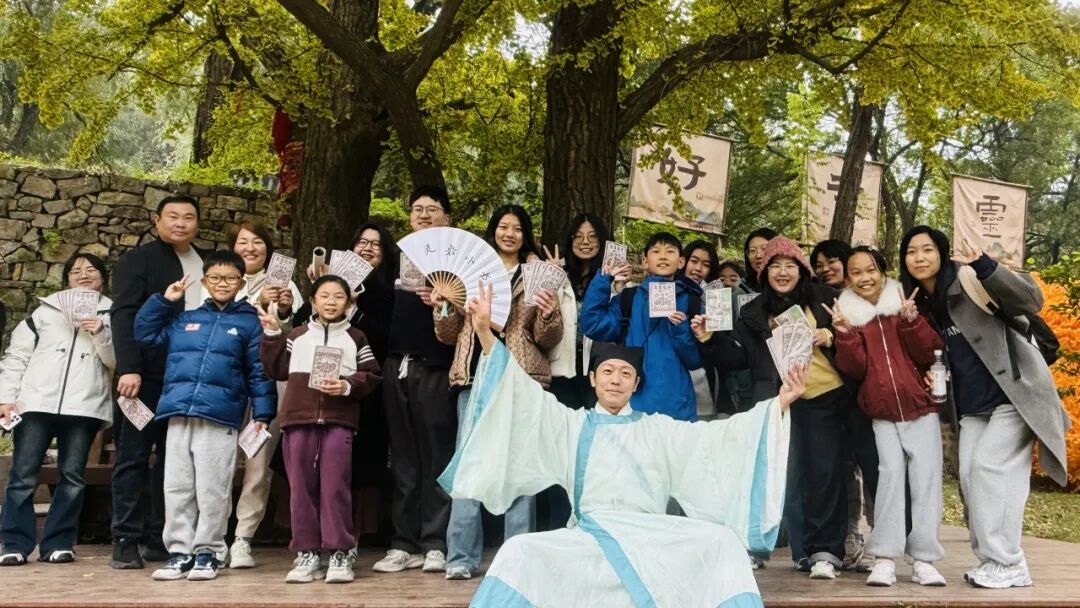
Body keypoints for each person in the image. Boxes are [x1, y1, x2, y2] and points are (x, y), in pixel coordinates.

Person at [439, 282, 805, 607]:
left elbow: (721, 438)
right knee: (517, 551)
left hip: (651, 536)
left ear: (636, 383)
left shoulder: (659, 429)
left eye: (626, 374)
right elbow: (519, 393)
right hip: (588, 537)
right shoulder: (571, 423)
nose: (616, 380)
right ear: (594, 379)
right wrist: (485, 333)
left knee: (723, 543)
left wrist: (781, 403)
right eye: (609, 373)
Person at [899, 226, 1070, 589]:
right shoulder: (921, 306)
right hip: (973, 406)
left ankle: (1009, 562)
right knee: (970, 477)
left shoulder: (970, 279)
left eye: (927, 249)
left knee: (991, 469)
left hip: (1015, 394)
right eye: (911, 251)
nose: (919, 257)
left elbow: (1030, 299)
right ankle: (992, 561)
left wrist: (985, 264)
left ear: (943, 253)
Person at [694, 236, 866, 578]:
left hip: (825, 396)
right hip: (780, 401)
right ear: (764, 273)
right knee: (786, 475)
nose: (783, 272)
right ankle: (802, 551)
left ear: (802, 271)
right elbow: (739, 359)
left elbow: (857, 333)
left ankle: (825, 552)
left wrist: (829, 336)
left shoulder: (825, 299)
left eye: (790, 266)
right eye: (775, 266)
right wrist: (710, 340)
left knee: (825, 471)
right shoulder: (752, 313)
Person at [431, 205, 563, 580]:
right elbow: (447, 334)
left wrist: (549, 312)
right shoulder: (469, 274)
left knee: (521, 467)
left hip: (520, 381)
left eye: (517, 228)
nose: (509, 233)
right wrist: (444, 307)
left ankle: (516, 557)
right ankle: (460, 557)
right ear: (493, 232)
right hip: (474, 380)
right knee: (470, 466)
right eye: (503, 226)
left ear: (525, 235)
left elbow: (547, 338)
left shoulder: (537, 275)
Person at [133, 250, 275, 581]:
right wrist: (165, 302)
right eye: (214, 277)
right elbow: (145, 335)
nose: (221, 283)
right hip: (179, 413)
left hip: (221, 416)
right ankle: (179, 551)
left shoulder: (250, 323)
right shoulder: (184, 319)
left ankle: (209, 551)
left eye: (229, 278)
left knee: (213, 488)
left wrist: (263, 412)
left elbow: (260, 372)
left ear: (241, 283)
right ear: (204, 281)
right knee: (177, 486)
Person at [830, 246, 947, 587]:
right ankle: (884, 558)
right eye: (856, 272)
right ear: (848, 279)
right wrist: (844, 334)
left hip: (919, 407)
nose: (865, 278)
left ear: (882, 271)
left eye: (871, 270)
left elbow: (930, 351)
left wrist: (912, 322)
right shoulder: (848, 315)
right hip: (881, 413)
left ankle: (924, 559)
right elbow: (854, 368)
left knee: (926, 482)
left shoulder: (903, 305)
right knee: (890, 478)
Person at [260, 275, 384, 584]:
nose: (331, 301)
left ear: (349, 303)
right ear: (313, 301)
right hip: (297, 420)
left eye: (339, 296)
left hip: (339, 422)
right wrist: (273, 335)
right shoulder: (298, 334)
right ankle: (307, 553)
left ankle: (340, 552)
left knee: (335, 487)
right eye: (324, 296)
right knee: (300, 488)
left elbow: (372, 375)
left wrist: (346, 385)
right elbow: (276, 368)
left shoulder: (356, 337)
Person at [109, 193, 205, 569]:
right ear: (157, 219)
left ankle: (159, 536)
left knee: (174, 459)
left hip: (184, 378)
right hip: (143, 378)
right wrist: (128, 366)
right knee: (132, 456)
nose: (181, 223)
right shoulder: (138, 260)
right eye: (173, 216)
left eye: (188, 217)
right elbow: (123, 314)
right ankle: (124, 539)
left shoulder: (203, 262)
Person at [0, 254, 114, 566]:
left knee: (72, 476)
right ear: (66, 280)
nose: (84, 275)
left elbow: (116, 362)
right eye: (76, 270)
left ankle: (59, 543)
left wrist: (101, 333)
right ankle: (14, 543)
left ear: (103, 278)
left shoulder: (113, 314)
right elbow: (16, 357)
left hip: (84, 405)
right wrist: (6, 398)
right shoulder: (43, 313)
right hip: (35, 402)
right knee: (23, 474)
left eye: (91, 270)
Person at [374, 187, 457, 575]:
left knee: (436, 453)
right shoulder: (395, 257)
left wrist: (445, 303)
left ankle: (436, 541)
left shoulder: (459, 261)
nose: (423, 215)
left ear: (447, 218)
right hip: (396, 363)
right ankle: (403, 542)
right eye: (418, 209)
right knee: (403, 456)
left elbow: (468, 322)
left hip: (436, 366)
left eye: (432, 209)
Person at [224, 221, 303, 569]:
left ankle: (243, 537)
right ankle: (212, 536)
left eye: (258, 242)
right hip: (224, 383)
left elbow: (291, 333)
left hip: (268, 385)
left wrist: (282, 307)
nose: (250, 248)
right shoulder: (220, 280)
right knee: (219, 462)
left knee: (258, 464)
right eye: (243, 242)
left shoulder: (285, 285)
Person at [579, 232, 703, 421]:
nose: (663, 256)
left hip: (676, 401)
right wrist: (603, 281)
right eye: (656, 251)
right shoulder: (629, 298)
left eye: (670, 251)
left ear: (681, 262)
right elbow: (593, 326)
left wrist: (680, 329)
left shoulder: (691, 301)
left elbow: (695, 360)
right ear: (645, 261)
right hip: (632, 399)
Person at [810, 238, 875, 571]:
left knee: (874, 466)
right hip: (835, 399)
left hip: (868, 396)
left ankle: (880, 542)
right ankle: (851, 536)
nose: (825, 269)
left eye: (832, 261)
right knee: (845, 468)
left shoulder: (868, 296)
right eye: (818, 264)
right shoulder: (816, 298)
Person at [549, 213, 610, 409]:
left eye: (592, 236)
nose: (585, 242)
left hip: (598, 367)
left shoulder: (611, 278)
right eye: (578, 236)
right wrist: (551, 278)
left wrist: (617, 287)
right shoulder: (560, 275)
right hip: (561, 366)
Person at [681, 240, 721, 419]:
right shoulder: (666, 290)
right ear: (683, 261)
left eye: (705, 264)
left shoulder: (713, 297)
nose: (698, 268)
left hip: (703, 369)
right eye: (694, 261)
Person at [742, 228, 777, 292]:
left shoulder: (793, 285)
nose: (758, 255)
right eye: (752, 250)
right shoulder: (742, 287)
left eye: (764, 248)